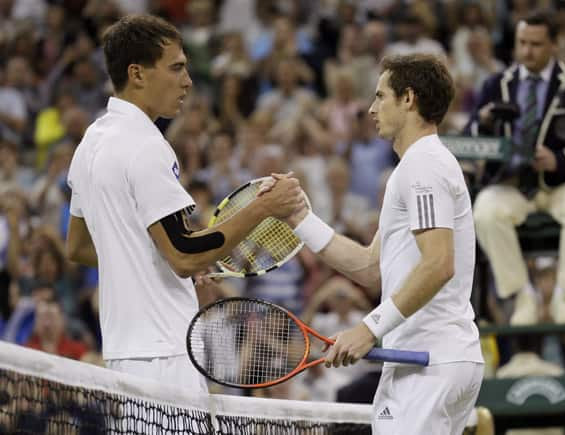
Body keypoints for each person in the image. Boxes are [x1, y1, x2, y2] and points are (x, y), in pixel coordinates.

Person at [65, 15, 303, 393]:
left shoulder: (90, 141)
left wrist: (155, 258)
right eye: (176, 68)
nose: (188, 81)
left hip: (122, 355)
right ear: (137, 74)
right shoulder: (146, 146)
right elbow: (185, 255)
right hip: (167, 357)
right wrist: (262, 208)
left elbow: (78, 247)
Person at [272, 54, 484, 434]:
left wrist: (368, 329)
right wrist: (300, 219)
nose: (371, 109)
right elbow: (371, 267)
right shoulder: (416, 166)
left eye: (380, 96)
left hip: (430, 360)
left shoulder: (424, 164)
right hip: (425, 359)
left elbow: (439, 264)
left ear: (409, 99)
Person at [465, 11, 565, 325]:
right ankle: (521, 294)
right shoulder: (496, 85)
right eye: (522, 43)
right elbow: (468, 138)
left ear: (554, 45)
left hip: (559, 184)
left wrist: (559, 160)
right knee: (485, 211)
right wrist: (484, 121)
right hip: (512, 183)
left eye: (536, 44)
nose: (527, 51)